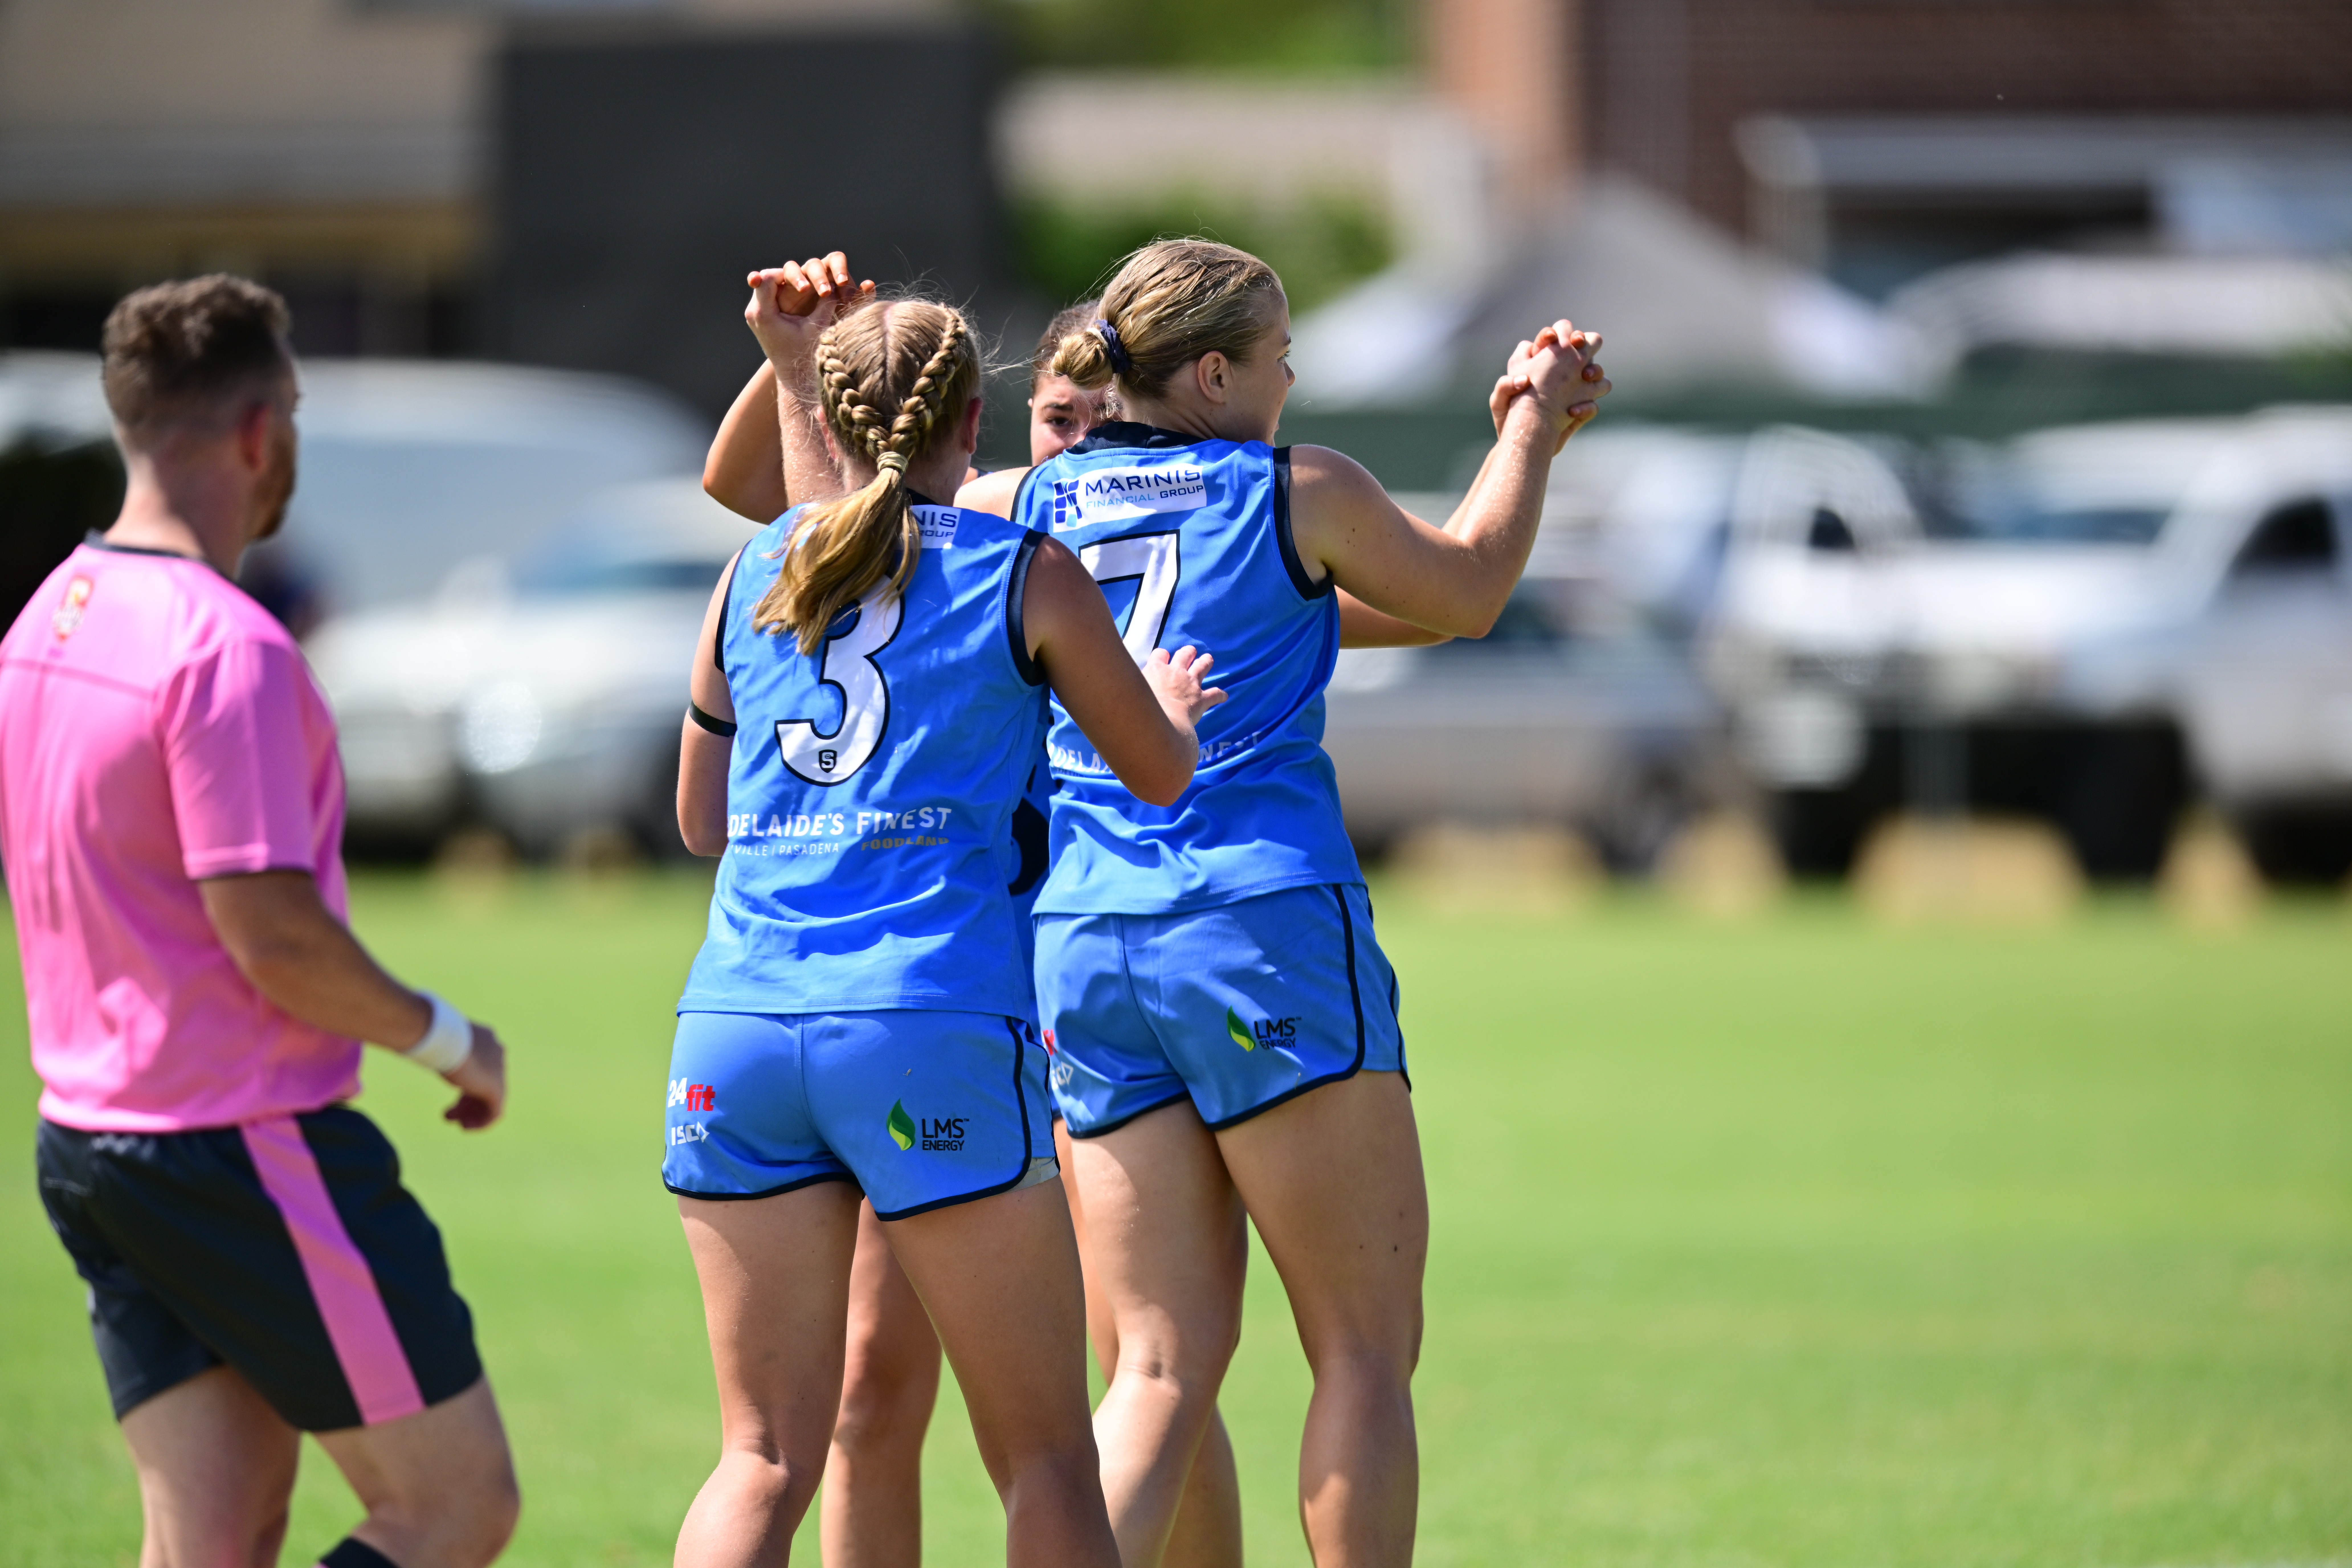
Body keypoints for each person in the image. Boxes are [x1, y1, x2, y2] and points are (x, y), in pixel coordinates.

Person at [1011, 238, 1608, 1568]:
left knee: (1155, 1366)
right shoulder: (1298, 489)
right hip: (1258, 925)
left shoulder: (1025, 502)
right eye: (1284, 354)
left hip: (1087, 942)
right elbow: (1466, 588)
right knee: (1361, 1347)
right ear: (1216, 373)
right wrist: (1532, 428)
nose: (1296, 375)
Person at [662, 277, 1226, 1568]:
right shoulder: (1024, 565)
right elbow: (1157, 771)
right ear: (979, 416)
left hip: (735, 1029)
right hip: (928, 1024)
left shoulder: (757, 569)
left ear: (833, 416)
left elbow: (702, 821)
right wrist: (1178, 708)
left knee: (759, 1457)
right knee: (1044, 1458)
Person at [0, 276, 520, 1568]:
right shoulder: (224, 646)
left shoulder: (44, 618)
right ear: (255, 430)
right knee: (455, 1504)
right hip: (240, 1142)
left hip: (90, 1140)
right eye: (290, 408)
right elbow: (272, 935)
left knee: (214, 1538)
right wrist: (454, 1039)